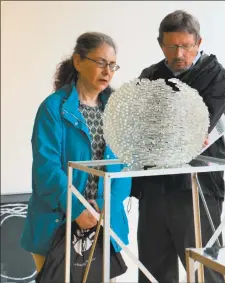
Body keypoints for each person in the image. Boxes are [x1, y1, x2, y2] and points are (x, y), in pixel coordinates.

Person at [131, 10, 225, 283]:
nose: (179, 53)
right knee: (153, 271)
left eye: (186, 46)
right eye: (172, 45)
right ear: (160, 44)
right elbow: (138, 126)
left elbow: (194, 128)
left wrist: (166, 125)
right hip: (153, 184)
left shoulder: (218, 78)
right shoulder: (150, 74)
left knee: (203, 270)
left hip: (196, 188)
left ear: (199, 42)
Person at [20, 32, 131, 273]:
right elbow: (46, 169)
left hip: (104, 222)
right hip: (57, 223)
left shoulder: (118, 111)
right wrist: (77, 208)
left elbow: (126, 166)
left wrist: (103, 206)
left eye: (112, 65)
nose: (107, 71)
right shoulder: (53, 108)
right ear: (78, 61)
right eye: (100, 62)